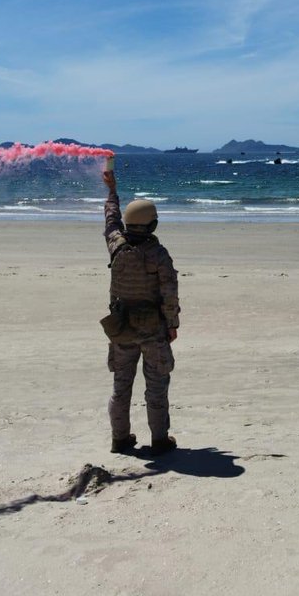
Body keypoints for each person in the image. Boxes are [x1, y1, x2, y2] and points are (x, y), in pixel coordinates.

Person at [101, 168, 181, 455]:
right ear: (153, 225)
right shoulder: (158, 255)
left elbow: (110, 220)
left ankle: (120, 439)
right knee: (156, 386)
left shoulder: (116, 247)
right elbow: (169, 294)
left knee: (121, 386)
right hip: (152, 330)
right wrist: (172, 324)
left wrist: (112, 190)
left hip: (120, 328)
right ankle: (159, 440)